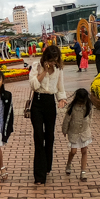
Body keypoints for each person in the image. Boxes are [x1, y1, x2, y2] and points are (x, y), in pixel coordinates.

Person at [29, 45, 67, 184]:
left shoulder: (58, 69)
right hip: (37, 102)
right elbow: (33, 85)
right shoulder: (36, 66)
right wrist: (44, 71)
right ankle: (39, 176)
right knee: (39, 136)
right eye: (51, 60)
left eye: (55, 60)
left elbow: (60, 86)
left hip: (50, 103)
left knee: (49, 136)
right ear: (46, 57)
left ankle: (46, 166)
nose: (53, 63)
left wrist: (62, 98)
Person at [62, 87, 92, 181]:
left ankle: (83, 172)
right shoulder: (71, 108)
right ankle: (69, 163)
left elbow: (90, 118)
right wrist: (64, 130)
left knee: (84, 151)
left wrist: (88, 128)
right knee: (73, 151)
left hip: (84, 132)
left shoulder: (88, 107)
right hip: (74, 132)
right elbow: (66, 120)